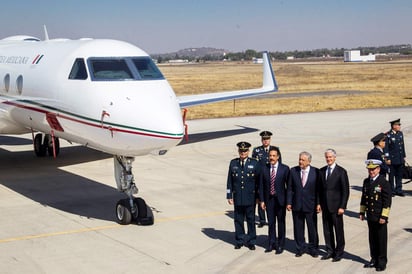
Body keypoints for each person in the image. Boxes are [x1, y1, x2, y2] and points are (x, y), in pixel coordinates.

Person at [226, 141, 260, 250]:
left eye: (245, 151)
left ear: (248, 151)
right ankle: (239, 240)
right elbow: (229, 180)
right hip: (238, 197)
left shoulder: (254, 163)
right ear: (238, 151)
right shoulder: (233, 163)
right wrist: (229, 195)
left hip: (250, 197)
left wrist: (259, 197)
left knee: (250, 220)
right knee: (238, 219)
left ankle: (251, 241)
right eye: (241, 151)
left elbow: (258, 182)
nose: (243, 153)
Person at [360, 159, 392, 272]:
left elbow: (387, 201)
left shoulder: (383, 182)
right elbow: (364, 198)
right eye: (369, 169)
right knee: (372, 239)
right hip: (371, 216)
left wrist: (384, 216)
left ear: (378, 169)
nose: (371, 171)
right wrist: (362, 212)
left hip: (380, 217)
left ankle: (382, 261)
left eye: (373, 169)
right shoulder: (366, 182)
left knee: (381, 240)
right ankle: (373, 259)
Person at [287, 151, 320, 258]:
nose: (300, 162)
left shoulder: (316, 172)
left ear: (309, 161)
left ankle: (313, 248)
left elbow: (318, 191)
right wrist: (289, 202)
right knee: (298, 228)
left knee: (312, 229)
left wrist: (319, 204)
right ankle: (300, 248)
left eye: (303, 160)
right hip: (297, 205)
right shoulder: (293, 171)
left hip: (310, 205)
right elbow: (290, 188)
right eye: (299, 159)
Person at [319, 149, 350, 262]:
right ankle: (330, 250)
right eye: (327, 157)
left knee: (338, 230)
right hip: (325, 206)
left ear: (335, 157)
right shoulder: (322, 171)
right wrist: (319, 203)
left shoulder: (341, 172)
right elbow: (319, 190)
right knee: (327, 230)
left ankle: (339, 252)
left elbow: (345, 191)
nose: (329, 159)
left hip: (336, 207)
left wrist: (343, 206)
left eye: (331, 157)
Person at [259, 147, 289, 254]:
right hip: (269, 200)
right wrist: (262, 200)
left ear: (278, 157)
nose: (271, 158)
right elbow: (261, 186)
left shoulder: (285, 169)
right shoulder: (264, 168)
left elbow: (289, 187)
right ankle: (271, 243)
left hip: (281, 200)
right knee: (271, 223)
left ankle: (280, 244)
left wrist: (288, 202)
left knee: (281, 223)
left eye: (273, 156)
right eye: (270, 156)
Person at [252, 130, 282, 227]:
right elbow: (254, 165)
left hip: (271, 177)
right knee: (261, 197)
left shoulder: (275, 149)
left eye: (267, 139)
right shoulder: (256, 150)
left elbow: (279, 164)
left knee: (270, 198)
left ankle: (271, 218)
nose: (265, 141)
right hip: (260, 178)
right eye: (264, 139)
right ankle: (262, 220)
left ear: (270, 139)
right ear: (261, 140)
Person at [384, 118, 407, 196]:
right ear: (393, 126)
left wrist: (403, 156)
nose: (399, 126)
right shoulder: (388, 135)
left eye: (399, 125)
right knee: (391, 176)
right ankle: (392, 190)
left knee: (399, 175)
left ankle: (399, 190)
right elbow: (386, 148)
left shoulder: (400, 134)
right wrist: (387, 158)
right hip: (392, 159)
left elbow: (402, 146)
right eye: (398, 125)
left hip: (399, 158)